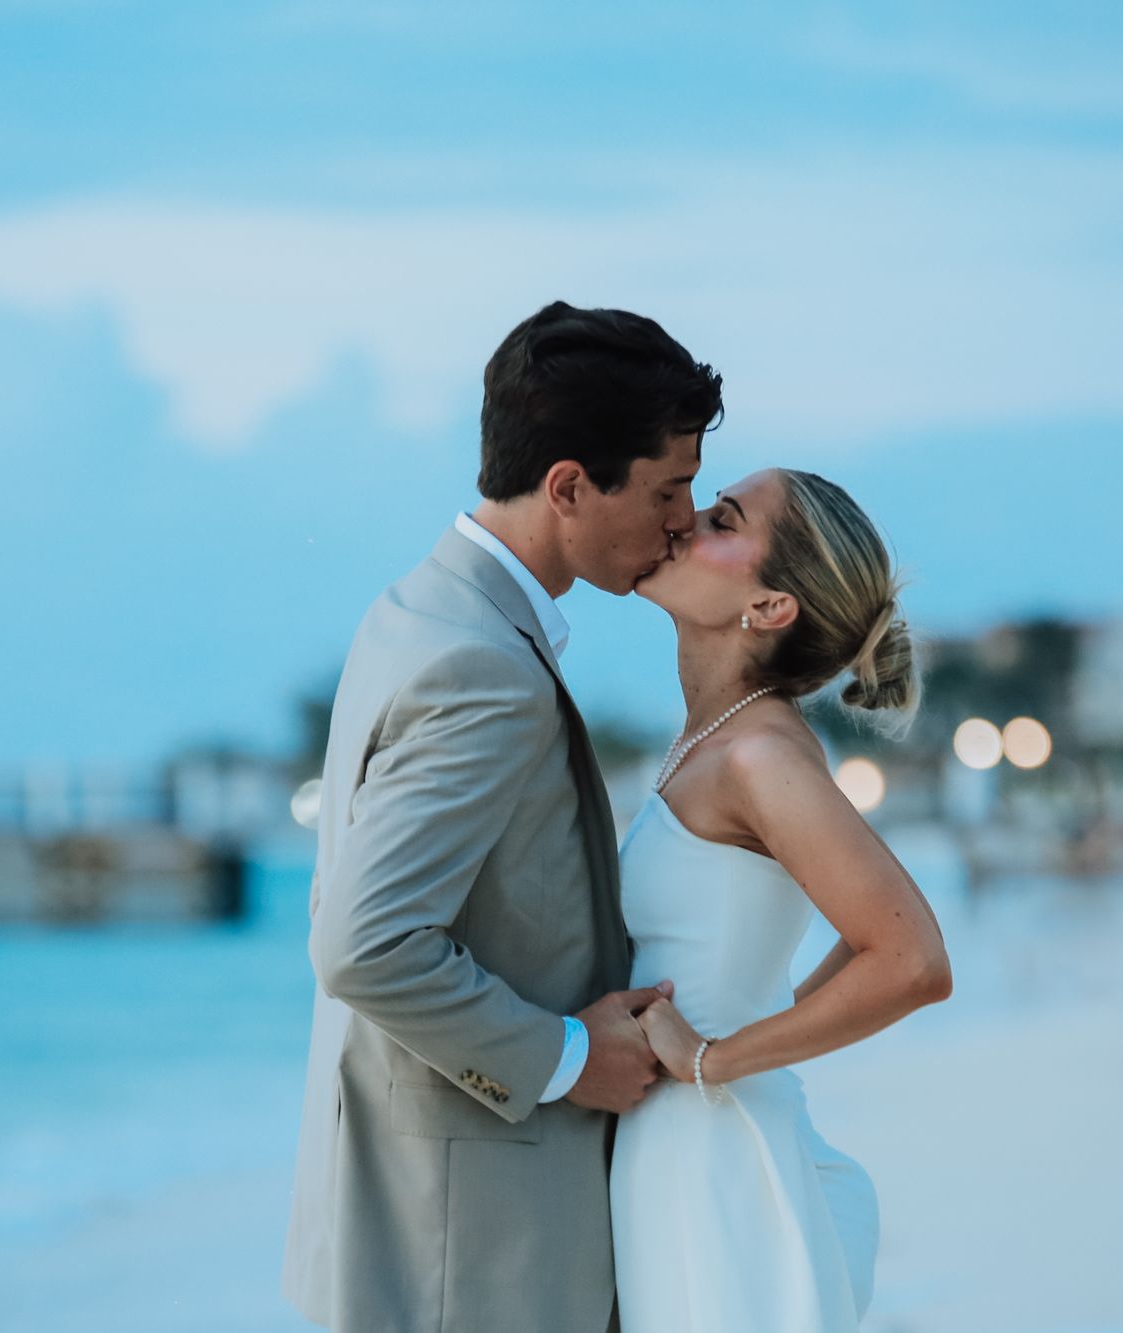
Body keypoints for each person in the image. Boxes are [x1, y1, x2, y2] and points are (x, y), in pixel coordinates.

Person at [282, 301, 724, 1332]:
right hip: (465, 1244)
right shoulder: (482, 666)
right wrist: (571, 1057)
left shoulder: (415, 612)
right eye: (667, 489)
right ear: (568, 485)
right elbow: (362, 945)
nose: (682, 522)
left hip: (415, 1213)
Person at [612, 467, 954, 1330]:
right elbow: (869, 929)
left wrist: (712, 1058)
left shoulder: (760, 757)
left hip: (715, 1158)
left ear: (769, 607)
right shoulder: (720, 740)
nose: (684, 520)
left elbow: (912, 958)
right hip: (682, 1146)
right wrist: (766, 1015)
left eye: (722, 518)